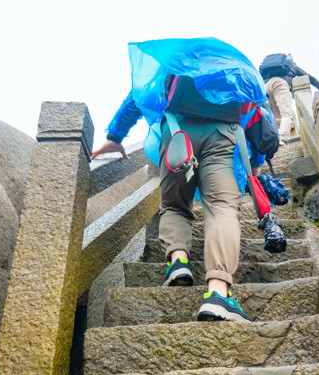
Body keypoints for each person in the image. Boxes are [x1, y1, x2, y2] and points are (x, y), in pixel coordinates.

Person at [91, 39, 279, 323]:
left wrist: (114, 137)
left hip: (177, 134)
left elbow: (138, 94)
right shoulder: (234, 71)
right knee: (222, 209)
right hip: (224, 137)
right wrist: (253, 165)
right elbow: (257, 116)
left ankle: (178, 262)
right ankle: (218, 294)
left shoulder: (178, 64)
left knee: (175, 206)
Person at [258, 53, 319, 144]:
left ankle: (267, 139)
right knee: (286, 114)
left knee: (273, 117)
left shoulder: (268, 67)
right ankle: (283, 139)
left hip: (265, 87)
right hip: (280, 84)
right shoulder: (291, 64)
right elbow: (309, 77)